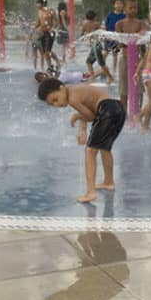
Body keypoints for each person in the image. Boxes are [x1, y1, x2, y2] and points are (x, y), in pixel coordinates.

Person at [37, 76, 124, 204]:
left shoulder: (72, 98)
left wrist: (76, 116)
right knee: (105, 148)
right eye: (52, 104)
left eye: (55, 99)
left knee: (90, 151)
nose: (57, 105)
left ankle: (90, 192)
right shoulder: (74, 90)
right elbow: (89, 109)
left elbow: (90, 116)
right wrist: (82, 129)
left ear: (61, 88)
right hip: (117, 108)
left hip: (106, 110)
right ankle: (108, 181)